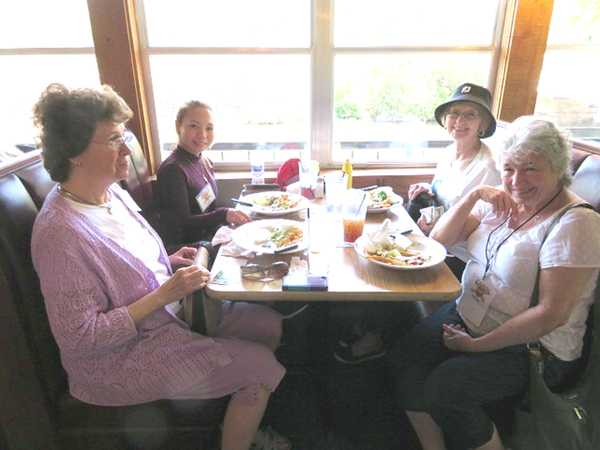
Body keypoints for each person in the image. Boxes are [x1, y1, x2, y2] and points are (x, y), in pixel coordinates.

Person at [30, 83, 290, 450]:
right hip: (123, 357)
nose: (127, 148)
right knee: (261, 364)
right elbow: (81, 339)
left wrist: (167, 262)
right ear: (74, 152)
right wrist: (163, 294)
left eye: (126, 136)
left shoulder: (111, 194)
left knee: (269, 324)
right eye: (112, 140)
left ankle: (238, 420)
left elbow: (125, 268)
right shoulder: (59, 234)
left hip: (169, 312)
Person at [392, 116, 600, 450]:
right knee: (405, 356)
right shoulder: (505, 200)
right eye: (508, 168)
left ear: (558, 168)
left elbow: (551, 314)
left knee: (446, 390)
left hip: (536, 348)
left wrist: (478, 346)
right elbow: (441, 241)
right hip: (472, 313)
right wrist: (474, 195)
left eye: (530, 168)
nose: (517, 181)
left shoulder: (575, 223)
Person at [407, 82, 501, 277]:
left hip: (459, 258)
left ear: (482, 123)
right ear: (445, 119)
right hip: (433, 240)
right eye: (454, 112)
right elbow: (446, 198)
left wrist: (437, 226)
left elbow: (480, 226)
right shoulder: (449, 152)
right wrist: (428, 188)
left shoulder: (489, 168)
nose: (459, 120)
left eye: (470, 114)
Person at [156, 101, 251, 246]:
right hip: (193, 247)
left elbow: (208, 210)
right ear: (178, 127)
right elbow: (182, 224)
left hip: (212, 236)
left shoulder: (204, 161)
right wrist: (223, 215)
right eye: (194, 126)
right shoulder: (173, 170)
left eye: (209, 128)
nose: (202, 135)